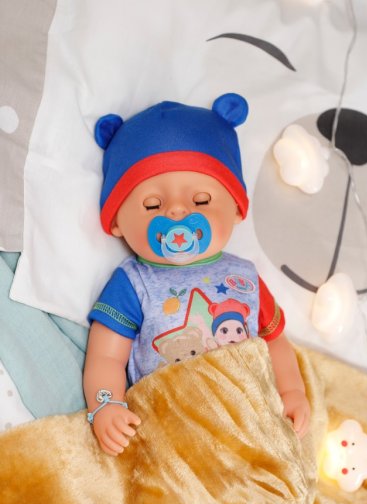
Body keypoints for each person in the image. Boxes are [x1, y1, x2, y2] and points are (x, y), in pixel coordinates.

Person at [83, 93, 310, 456]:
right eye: (152, 205)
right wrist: (106, 405)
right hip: (174, 430)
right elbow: (106, 357)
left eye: (201, 201)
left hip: (250, 422)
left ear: (236, 209)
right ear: (117, 223)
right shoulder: (134, 283)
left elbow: (275, 341)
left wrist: (293, 392)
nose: (177, 211)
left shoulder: (246, 278)